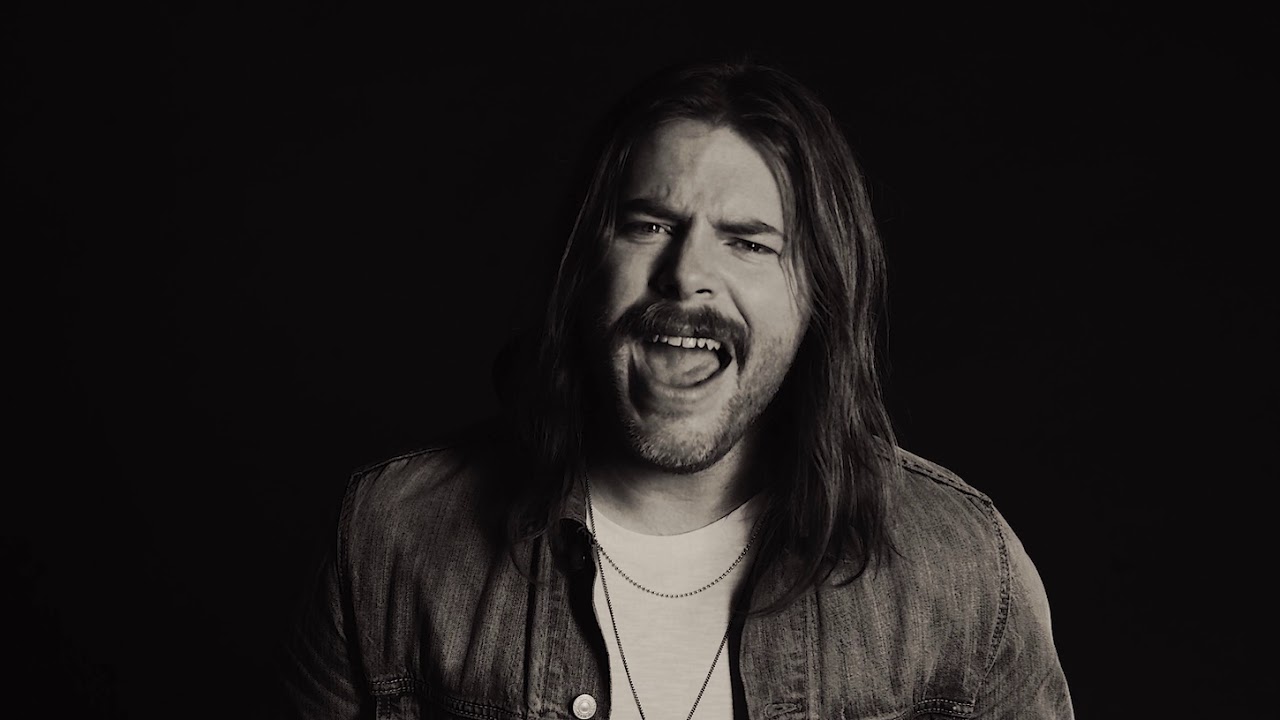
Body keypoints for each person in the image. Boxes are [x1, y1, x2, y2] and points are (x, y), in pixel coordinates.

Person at [282, 60, 1074, 719]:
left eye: (748, 243)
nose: (687, 273)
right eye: (650, 225)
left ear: (819, 297)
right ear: (585, 267)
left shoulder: (963, 569)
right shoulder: (391, 539)